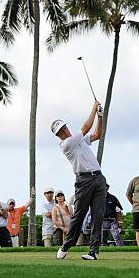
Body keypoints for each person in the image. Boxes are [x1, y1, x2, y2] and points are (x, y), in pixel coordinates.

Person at [52, 100, 107, 261]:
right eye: (60, 131)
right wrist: (93, 108)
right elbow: (85, 128)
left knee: (98, 214)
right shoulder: (67, 144)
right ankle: (67, 245)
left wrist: (100, 117)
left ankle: (94, 251)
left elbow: (97, 134)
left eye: (64, 128)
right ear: (58, 135)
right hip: (83, 180)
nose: (64, 131)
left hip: (98, 178)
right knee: (79, 215)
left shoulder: (78, 139)